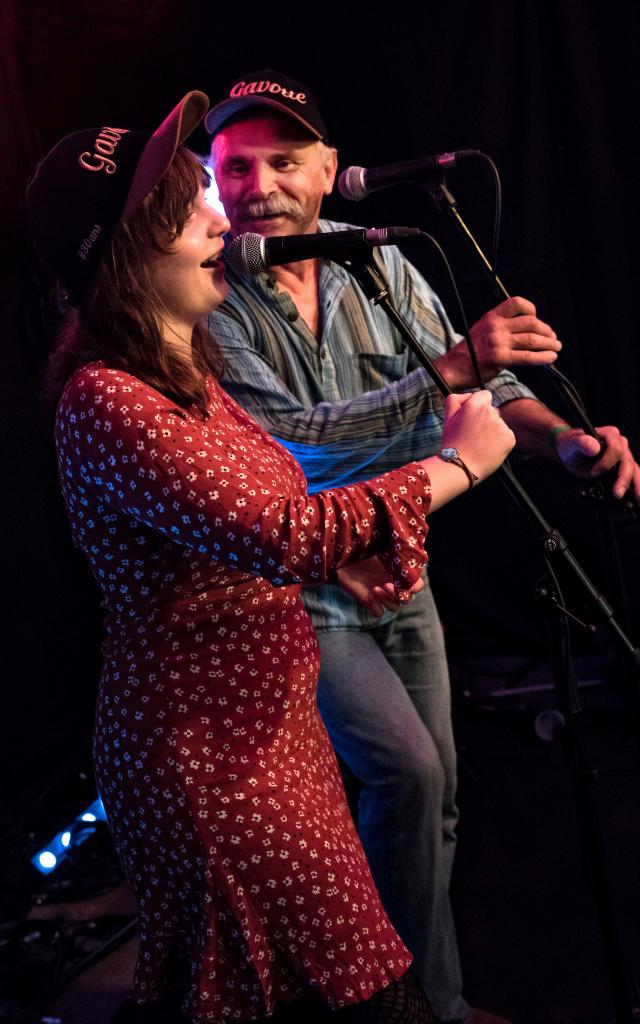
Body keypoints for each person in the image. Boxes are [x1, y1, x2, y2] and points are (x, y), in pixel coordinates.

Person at [25, 92, 517, 1024]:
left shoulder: (181, 369)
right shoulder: (110, 399)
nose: (223, 212)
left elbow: (255, 514)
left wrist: (335, 564)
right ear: (125, 258)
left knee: (328, 983)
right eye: (189, 207)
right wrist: (456, 463)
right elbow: (288, 531)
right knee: (329, 991)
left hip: (268, 740)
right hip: (212, 764)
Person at [205, 69, 640, 1024]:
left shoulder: (383, 265)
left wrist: (562, 440)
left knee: (433, 800)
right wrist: (451, 370)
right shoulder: (210, 301)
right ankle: (393, 1005)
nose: (262, 184)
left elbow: (472, 393)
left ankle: (424, 1002)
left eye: (285, 161)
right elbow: (292, 440)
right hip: (305, 585)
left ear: (328, 172)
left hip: (402, 567)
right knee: (408, 775)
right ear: (212, 178)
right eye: (238, 165)